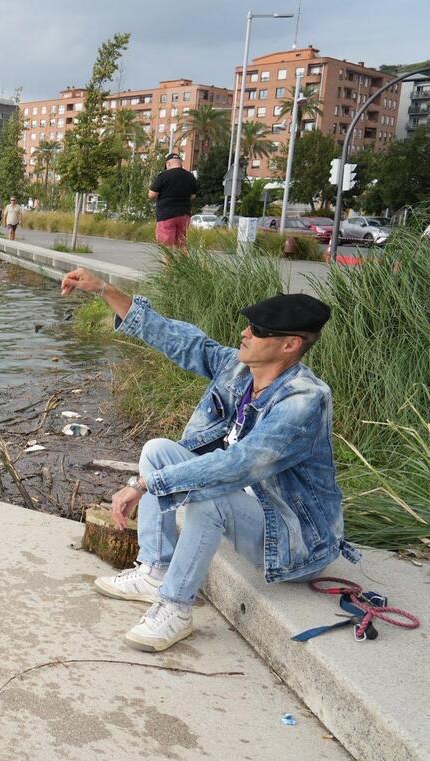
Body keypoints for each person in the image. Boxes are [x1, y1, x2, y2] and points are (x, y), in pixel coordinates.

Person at [59, 267, 358, 653]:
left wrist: (145, 484)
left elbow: (238, 465)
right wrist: (103, 289)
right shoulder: (239, 368)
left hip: (293, 539)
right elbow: (179, 340)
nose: (245, 334)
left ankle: (176, 607)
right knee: (157, 450)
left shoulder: (303, 400)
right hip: (250, 509)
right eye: (249, 326)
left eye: (259, 330)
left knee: (208, 494)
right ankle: (156, 568)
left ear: (290, 345)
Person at [149, 153, 198, 247]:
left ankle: (167, 262)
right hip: (184, 214)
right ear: (180, 163)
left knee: (167, 247)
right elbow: (193, 196)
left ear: (168, 164)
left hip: (166, 215)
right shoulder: (190, 176)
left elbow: (151, 194)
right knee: (182, 245)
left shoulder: (163, 175)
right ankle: (183, 262)